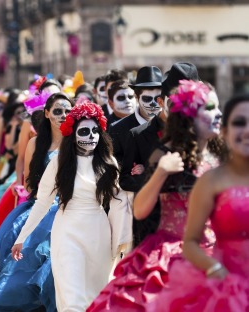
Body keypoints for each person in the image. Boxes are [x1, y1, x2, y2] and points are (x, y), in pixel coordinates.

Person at [87, 80, 224, 311]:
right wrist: (161, 171)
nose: (219, 114)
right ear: (190, 117)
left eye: (218, 107)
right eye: (211, 108)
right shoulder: (165, 153)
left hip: (216, 252)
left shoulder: (218, 154)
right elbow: (140, 209)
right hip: (174, 257)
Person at [10, 99, 132, 311]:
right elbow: (42, 203)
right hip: (67, 231)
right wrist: (22, 237)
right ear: (73, 134)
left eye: (95, 131)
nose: (91, 136)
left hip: (99, 234)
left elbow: (119, 201)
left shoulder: (108, 163)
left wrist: (123, 241)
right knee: (72, 295)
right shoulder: (58, 162)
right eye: (84, 131)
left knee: (95, 295)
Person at [148, 93, 249, 311]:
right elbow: (191, 241)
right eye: (239, 123)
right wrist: (214, 268)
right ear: (225, 132)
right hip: (226, 280)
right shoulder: (212, 179)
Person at [0, 93, 74, 311]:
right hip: (42, 206)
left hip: (72, 207)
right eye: (57, 111)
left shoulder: (78, 140)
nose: (63, 115)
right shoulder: (35, 143)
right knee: (28, 257)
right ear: (46, 114)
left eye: (67, 111)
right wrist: (47, 192)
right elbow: (29, 184)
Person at [120, 62, 200, 247]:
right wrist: (153, 178)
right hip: (152, 231)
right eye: (177, 101)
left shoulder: (203, 135)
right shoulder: (138, 134)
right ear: (162, 102)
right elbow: (124, 179)